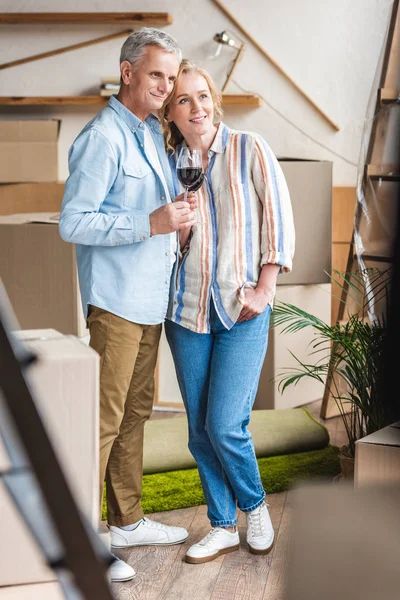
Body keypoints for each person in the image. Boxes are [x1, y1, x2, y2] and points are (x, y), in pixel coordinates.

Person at [59, 30, 196, 582]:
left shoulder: (150, 134)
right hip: (114, 304)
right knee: (104, 420)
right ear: (128, 73)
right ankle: (83, 541)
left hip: (149, 301)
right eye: (157, 75)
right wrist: (152, 223)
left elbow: (161, 212)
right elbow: (74, 222)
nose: (166, 86)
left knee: (136, 414)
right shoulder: (102, 138)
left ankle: (128, 521)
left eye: (172, 75)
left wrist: (174, 230)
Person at [160, 60, 295, 564]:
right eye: (182, 100)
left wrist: (265, 287)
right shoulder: (169, 162)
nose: (195, 108)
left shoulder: (249, 148)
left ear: (214, 99)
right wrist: (180, 226)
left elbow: (278, 220)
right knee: (198, 428)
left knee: (225, 424)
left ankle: (254, 506)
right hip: (187, 310)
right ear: (170, 113)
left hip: (241, 307)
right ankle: (221, 524)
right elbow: (171, 247)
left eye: (202, 96)